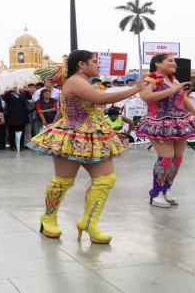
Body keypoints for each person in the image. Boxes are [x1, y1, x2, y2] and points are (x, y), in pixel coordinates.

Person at [29, 50, 149, 244]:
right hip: (73, 136)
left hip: (94, 136)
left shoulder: (84, 83)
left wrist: (56, 123)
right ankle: (48, 218)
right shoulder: (76, 80)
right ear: (81, 65)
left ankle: (89, 223)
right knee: (63, 181)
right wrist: (136, 88)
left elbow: (64, 107)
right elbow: (100, 100)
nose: (98, 65)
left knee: (105, 180)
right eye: (94, 62)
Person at [136, 54, 195, 208]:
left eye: (174, 61)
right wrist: (175, 89)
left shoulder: (174, 80)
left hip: (179, 123)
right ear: (158, 63)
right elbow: (146, 97)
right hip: (159, 122)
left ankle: (166, 189)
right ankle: (155, 193)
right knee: (166, 158)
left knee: (177, 159)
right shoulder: (151, 78)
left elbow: (184, 101)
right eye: (170, 60)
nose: (174, 63)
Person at [2, 87, 32, 151]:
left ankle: (21, 145)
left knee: (22, 131)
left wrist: (26, 91)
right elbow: (4, 98)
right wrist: (10, 90)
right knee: (12, 132)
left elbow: (29, 97)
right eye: (13, 87)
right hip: (11, 117)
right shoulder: (8, 95)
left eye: (15, 87)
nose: (15, 88)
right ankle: (12, 145)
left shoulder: (20, 94)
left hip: (22, 116)